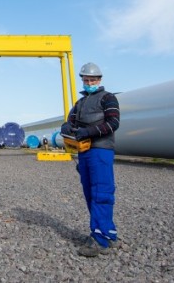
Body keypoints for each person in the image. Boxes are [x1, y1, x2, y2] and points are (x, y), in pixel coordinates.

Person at [61, 62, 121, 257]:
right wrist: (66, 128)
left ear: (100, 79)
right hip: (84, 151)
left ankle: (100, 239)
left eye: (92, 79)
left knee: (101, 191)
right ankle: (108, 233)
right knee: (90, 192)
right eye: (86, 80)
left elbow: (113, 123)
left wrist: (89, 131)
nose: (89, 83)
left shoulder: (108, 98)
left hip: (101, 150)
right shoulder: (80, 103)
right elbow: (70, 121)